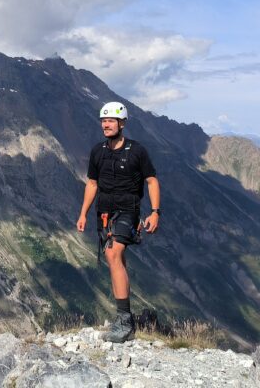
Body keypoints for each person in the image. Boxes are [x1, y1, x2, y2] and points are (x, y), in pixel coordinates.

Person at [77, 101, 160, 343]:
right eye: (103, 120)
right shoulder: (97, 151)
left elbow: (152, 181)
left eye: (111, 120)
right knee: (117, 261)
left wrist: (155, 212)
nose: (106, 124)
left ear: (122, 123)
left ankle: (124, 322)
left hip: (128, 211)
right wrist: (83, 213)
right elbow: (92, 184)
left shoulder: (137, 151)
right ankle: (126, 318)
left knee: (113, 254)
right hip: (103, 213)